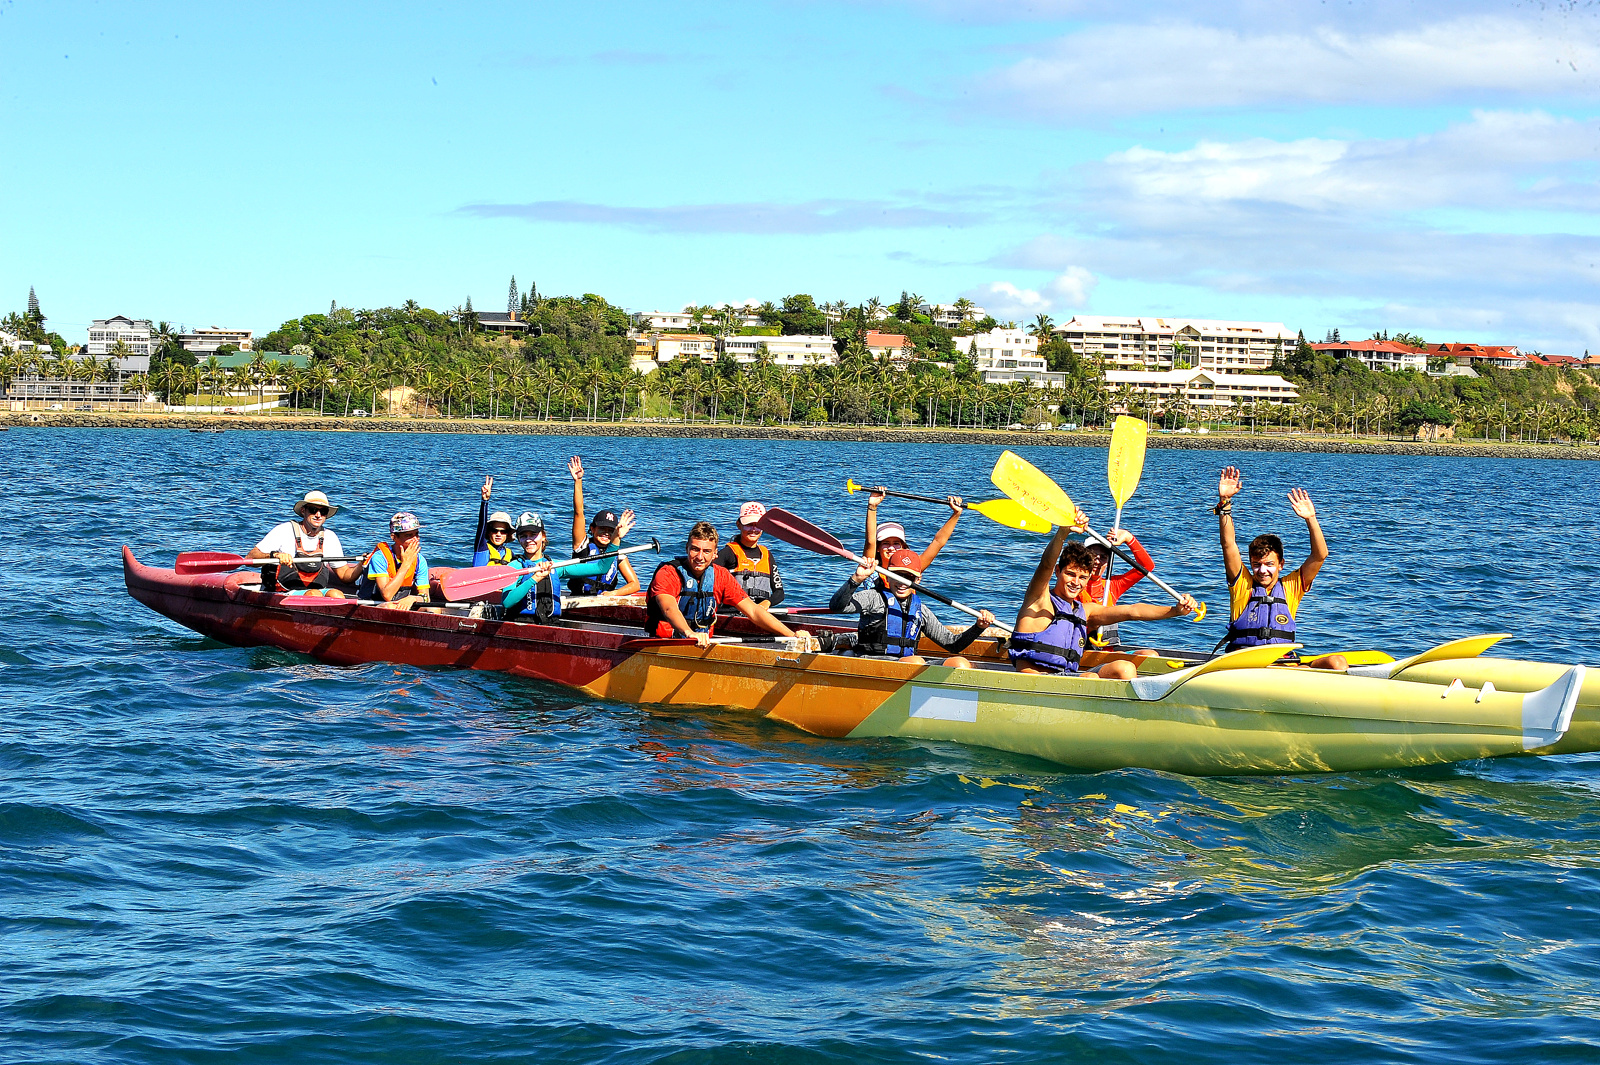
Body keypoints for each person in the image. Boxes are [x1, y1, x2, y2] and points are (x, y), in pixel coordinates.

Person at [1009, 520, 1197, 679]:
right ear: (1058, 572)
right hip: (1034, 680)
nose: (1076, 582)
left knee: (1124, 668)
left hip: (1067, 678)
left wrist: (1175, 611)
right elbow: (1046, 565)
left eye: (1082, 577)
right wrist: (1063, 532)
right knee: (1090, 678)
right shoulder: (1039, 599)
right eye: (1070, 574)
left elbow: (1132, 611)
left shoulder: (1085, 610)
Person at [1214, 466, 1347, 670]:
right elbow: (1228, 544)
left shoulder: (1291, 587)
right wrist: (1225, 502)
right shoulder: (1242, 585)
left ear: (1280, 564)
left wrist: (1311, 519)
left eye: (1269, 564)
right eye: (1256, 565)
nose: (1262, 570)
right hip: (1243, 665)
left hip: (1283, 665)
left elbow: (1320, 555)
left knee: (1337, 662)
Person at [646, 521, 808, 648]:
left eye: (707, 551)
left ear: (715, 554)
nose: (700, 557)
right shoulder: (668, 573)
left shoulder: (721, 576)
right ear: (687, 548)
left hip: (702, 643)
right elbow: (669, 608)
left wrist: (791, 635)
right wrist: (689, 633)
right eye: (695, 549)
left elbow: (753, 611)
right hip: (664, 642)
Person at [829, 548, 992, 668]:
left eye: (908, 577)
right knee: (915, 662)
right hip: (872, 663)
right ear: (887, 576)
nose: (902, 582)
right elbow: (837, 607)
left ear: (917, 580)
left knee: (960, 663)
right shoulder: (873, 597)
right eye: (897, 575)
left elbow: (953, 645)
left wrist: (978, 627)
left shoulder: (920, 610)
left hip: (908, 665)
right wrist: (856, 579)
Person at [245, 490, 361, 597]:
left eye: (323, 511)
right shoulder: (284, 530)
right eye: (313, 510)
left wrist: (362, 564)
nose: (318, 515)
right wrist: (274, 555)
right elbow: (250, 558)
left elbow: (345, 575)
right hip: (283, 592)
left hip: (315, 592)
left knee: (336, 595)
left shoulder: (330, 537)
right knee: (314, 595)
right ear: (303, 511)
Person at [566, 455, 641, 596]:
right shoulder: (582, 545)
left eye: (610, 531)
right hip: (579, 600)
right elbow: (578, 513)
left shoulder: (618, 554)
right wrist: (578, 481)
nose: (606, 533)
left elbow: (635, 584)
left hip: (605, 601)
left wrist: (613, 594)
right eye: (602, 529)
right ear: (592, 529)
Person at [1083, 527, 1159, 652]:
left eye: (1103, 557)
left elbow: (1147, 566)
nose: (1097, 561)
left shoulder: (1113, 586)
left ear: (1108, 562)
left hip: (1108, 653)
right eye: (1092, 556)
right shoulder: (1072, 586)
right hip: (1080, 651)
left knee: (1150, 654)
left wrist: (1128, 537)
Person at [864, 487, 963, 571]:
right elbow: (870, 541)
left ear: (903, 547)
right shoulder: (870, 565)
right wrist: (872, 506)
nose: (891, 548)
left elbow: (938, 542)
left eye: (896, 543)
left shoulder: (912, 568)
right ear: (878, 548)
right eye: (886, 543)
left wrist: (956, 514)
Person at [357, 512, 431, 609]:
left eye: (416, 534)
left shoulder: (420, 560)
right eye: (409, 535)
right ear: (394, 537)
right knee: (389, 606)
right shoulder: (379, 558)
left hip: (400, 605)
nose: (416, 540)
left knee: (433, 609)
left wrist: (413, 598)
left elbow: (426, 597)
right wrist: (406, 564)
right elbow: (387, 595)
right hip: (373, 604)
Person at [716, 501, 784, 606]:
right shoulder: (728, 553)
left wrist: (766, 604)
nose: (753, 530)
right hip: (732, 610)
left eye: (757, 525)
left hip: (760, 611)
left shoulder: (767, 555)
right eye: (748, 525)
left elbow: (779, 593)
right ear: (739, 525)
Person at [499, 512, 560, 624]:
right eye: (523, 536)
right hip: (521, 624)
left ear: (543, 536)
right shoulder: (514, 567)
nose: (528, 540)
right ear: (518, 539)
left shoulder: (554, 565)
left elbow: (595, 568)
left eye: (533, 534)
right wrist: (534, 579)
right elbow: (507, 602)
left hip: (551, 624)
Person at [471, 476, 518, 567]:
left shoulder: (510, 554)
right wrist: (484, 501)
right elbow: (481, 526)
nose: (498, 534)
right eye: (494, 531)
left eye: (503, 531)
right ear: (488, 532)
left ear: (507, 534)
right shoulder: (482, 547)